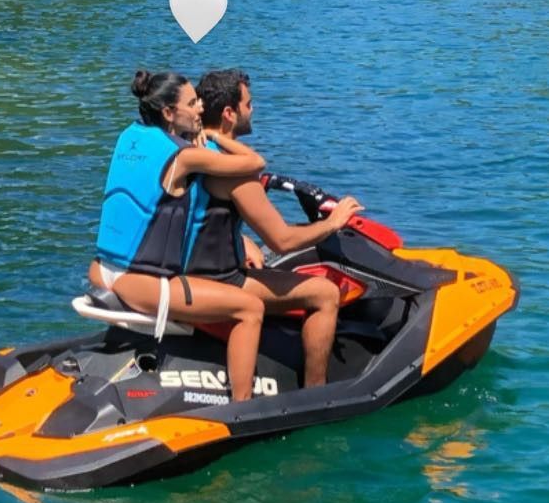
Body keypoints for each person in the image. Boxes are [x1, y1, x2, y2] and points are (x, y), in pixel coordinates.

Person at [92, 69, 274, 398]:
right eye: (193, 103)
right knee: (250, 309)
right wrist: (216, 137)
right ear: (168, 113)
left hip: (102, 269)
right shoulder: (187, 157)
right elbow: (254, 163)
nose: (201, 108)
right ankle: (242, 408)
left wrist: (242, 239)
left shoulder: (130, 138)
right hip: (138, 281)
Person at [191, 67, 361, 390]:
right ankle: (315, 394)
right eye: (248, 104)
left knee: (265, 261)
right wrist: (333, 222)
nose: (252, 110)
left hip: (192, 269)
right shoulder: (235, 169)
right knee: (325, 293)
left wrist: (241, 240)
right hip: (220, 278)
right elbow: (282, 240)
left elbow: (202, 211)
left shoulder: (197, 150)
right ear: (229, 114)